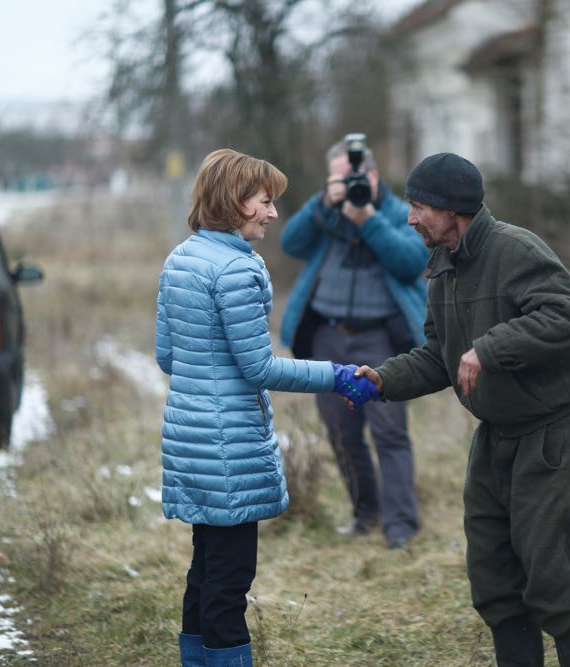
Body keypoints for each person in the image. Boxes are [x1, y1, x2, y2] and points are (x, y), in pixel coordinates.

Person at [355, 153, 570, 667]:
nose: (410, 218)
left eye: (418, 206)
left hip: (547, 429)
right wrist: (383, 379)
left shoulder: (515, 250)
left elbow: (569, 315)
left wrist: (489, 348)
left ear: (450, 209)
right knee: (492, 575)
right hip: (494, 434)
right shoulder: (442, 268)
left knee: (547, 570)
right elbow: (438, 356)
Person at [155, 148, 377, 667]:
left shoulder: (180, 258)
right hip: (228, 446)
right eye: (264, 201)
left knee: (204, 571)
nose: (273, 212)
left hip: (188, 441)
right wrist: (336, 374)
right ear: (235, 203)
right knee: (230, 583)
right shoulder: (236, 269)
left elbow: (167, 356)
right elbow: (260, 368)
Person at [279, 136, 427, 549]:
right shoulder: (325, 214)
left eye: (354, 177)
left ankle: (400, 526)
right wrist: (322, 204)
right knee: (342, 434)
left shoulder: (399, 214)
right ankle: (366, 515)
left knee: (390, 431)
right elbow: (290, 243)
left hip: (383, 338)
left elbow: (412, 262)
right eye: (339, 179)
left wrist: (367, 219)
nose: (348, 185)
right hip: (327, 336)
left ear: (374, 176)